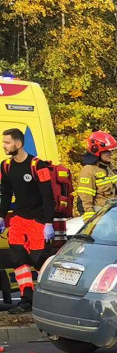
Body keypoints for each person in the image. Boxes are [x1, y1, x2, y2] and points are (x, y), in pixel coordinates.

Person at [0, 128, 55, 313]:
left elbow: (48, 196)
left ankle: (47, 298)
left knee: (38, 260)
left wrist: (48, 222)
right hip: (19, 220)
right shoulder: (6, 166)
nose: (4, 146)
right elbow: (6, 193)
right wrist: (1, 216)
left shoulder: (37, 165)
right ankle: (26, 299)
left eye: (7, 142)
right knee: (18, 259)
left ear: (18, 143)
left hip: (38, 220)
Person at [75, 131, 117, 222]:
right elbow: (85, 201)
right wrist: (91, 223)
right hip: (102, 217)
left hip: (116, 214)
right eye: (107, 151)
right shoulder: (88, 170)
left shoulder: (111, 168)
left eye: (111, 151)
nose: (111, 154)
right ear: (96, 150)